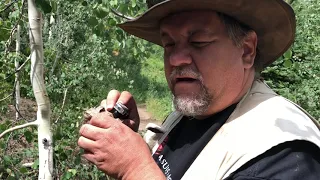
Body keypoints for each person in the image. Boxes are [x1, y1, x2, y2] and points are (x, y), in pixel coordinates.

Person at [78, 0, 320, 179]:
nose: (175, 59)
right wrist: (129, 140)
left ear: (247, 51)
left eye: (198, 42)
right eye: (169, 43)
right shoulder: (198, 110)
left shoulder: (283, 153)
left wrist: (134, 168)